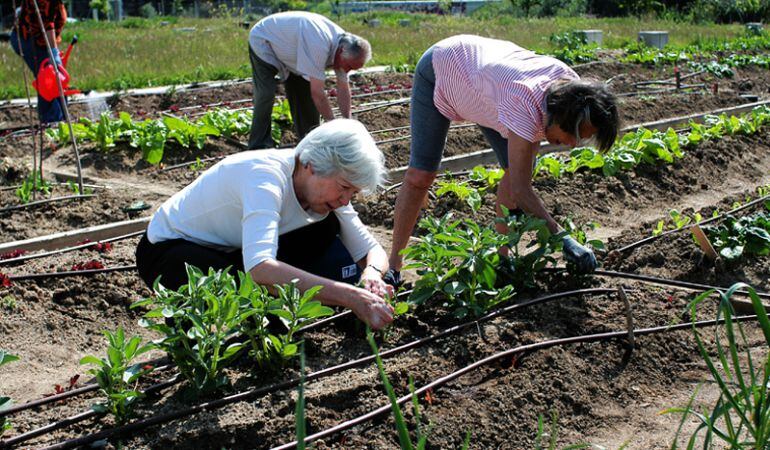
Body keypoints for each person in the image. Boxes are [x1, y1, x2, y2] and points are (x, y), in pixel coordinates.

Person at [386, 34, 620, 285]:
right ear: (563, 116)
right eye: (573, 135)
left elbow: (518, 179)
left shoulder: (572, 88)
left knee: (518, 169)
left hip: (486, 83)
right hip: (445, 66)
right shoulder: (524, 102)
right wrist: (562, 237)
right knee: (422, 174)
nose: (573, 144)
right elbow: (521, 190)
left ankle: (501, 261)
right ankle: (393, 268)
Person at [136, 119, 394, 330]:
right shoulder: (265, 179)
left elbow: (372, 249)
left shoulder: (326, 191)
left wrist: (371, 274)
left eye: (353, 193)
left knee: (325, 227)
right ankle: (186, 330)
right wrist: (350, 296)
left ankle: (265, 305)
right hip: (169, 251)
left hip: (231, 250)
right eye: (344, 188)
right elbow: (259, 268)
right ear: (311, 166)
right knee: (259, 325)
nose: (345, 200)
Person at [247, 11, 371, 149]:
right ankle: (258, 144)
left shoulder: (346, 46)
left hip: (296, 53)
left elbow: (343, 88)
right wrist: (334, 127)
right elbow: (318, 94)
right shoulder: (319, 44)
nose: (347, 71)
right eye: (348, 66)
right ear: (341, 51)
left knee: (305, 98)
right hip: (265, 40)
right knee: (266, 94)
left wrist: (348, 123)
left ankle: (310, 143)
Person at [10, 0, 66, 123]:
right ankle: (52, 120)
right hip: (27, 40)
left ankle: (62, 117)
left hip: (40, 42)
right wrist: (53, 52)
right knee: (48, 79)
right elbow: (47, 25)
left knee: (55, 79)